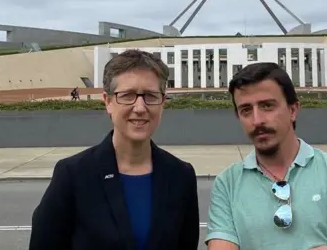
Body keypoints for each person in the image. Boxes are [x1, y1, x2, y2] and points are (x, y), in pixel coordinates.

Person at [29, 49, 200, 250]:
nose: (139, 107)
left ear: (162, 102)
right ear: (108, 101)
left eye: (151, 96)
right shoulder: (73, 175)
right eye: (127, 95)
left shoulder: (181, 176)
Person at [205, 62, 327, 250]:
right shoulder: (227, 185)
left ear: (293, 110)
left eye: (267, 106)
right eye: (246, 110)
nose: (257, 120)